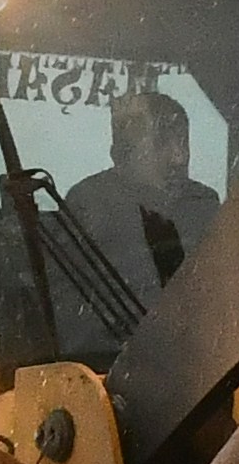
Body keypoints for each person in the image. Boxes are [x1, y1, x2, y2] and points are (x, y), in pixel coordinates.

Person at [58, 82, 224, 300]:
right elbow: (71, 302)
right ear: (120, 153)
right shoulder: (89, 204)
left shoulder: (202, 205)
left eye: (183, 141)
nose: (179, 156)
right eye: (161, 142)